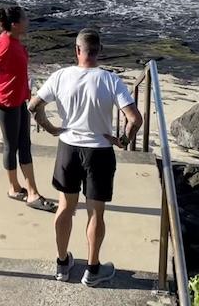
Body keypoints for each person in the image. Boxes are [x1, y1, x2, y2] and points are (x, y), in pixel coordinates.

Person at [28, 28, 142, 287]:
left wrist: (50, 127)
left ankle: (62, 264)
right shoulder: (110, 80)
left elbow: (34, 106)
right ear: (99, 51)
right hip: (99, 151)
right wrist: (122, 140)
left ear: (77, 51)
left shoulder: (61, 76)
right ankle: (92, 269)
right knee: (95, 214)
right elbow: (135, 119)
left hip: (68, 148)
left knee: (65, 207)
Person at [0, 5, 56, 212]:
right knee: (14, 145)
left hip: (18, 99)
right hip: (6, 102)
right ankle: (27, 192)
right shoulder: (7, 44)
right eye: (25, 18)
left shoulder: (9, 39)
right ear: (15, 24)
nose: (28, 21)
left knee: (23, 144)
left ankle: (21, 189)